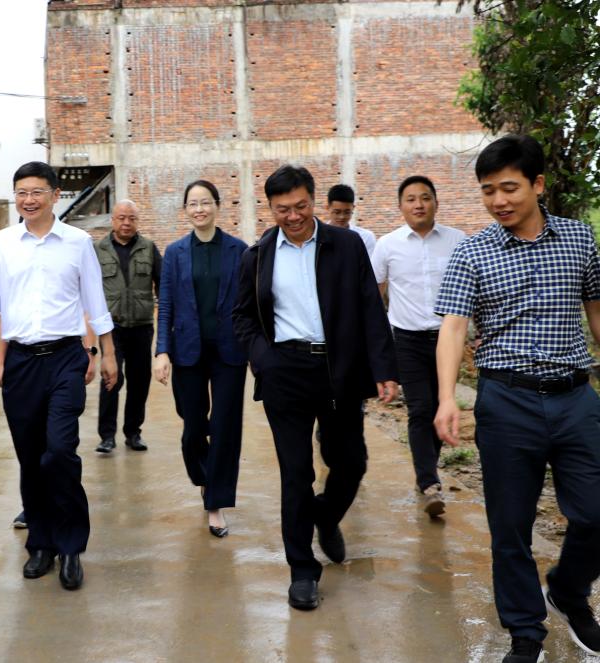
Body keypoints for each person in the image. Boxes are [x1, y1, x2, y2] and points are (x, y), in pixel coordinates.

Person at [434, 134, 600, 663]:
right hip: (506, 401)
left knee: (595, 513)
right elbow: (453, 328)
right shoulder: (472, 251)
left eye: (509, 188)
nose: (498, 200)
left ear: (538, 185)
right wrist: (446, 398)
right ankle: (525, 631)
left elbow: (597, 315)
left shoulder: (579, 239)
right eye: (488, 191)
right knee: (510, 526)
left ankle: (568, 590)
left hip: (575, 398)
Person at [232, 165, 398, 611]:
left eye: (300, 206)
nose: (293, 216)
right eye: (282, 209)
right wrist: (264, 359)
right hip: (285, 371)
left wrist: (384, 367)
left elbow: (370, 306)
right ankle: (302, 570)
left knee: (351, 461)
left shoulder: (346, 245)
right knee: (296, 473)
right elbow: (242, 316)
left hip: (339, 368)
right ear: (270, 208)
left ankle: (325, 515)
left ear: (313, 200)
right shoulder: (258, 256)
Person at [0, 161, 117, 591]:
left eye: (36, 192)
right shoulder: (3, 243)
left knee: (60, 451)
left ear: (54, 195)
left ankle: (71, 546)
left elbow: (95, 300)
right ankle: (41, 543)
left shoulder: (77, 243)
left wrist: (107, 354)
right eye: (21, 192)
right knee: (31, 458)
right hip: (21, 363)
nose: (28, 200)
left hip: (66, 358)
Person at [153, 180, 248, 539]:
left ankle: (215, 502)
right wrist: (162, 351)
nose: (199, 209)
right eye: (192, 204)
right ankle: (204, 475)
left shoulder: (238, 250)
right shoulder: (175, 252)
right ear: (186, 210)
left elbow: (247, 305)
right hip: (187, 350)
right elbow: (166, 305)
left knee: (225, 426)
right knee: (194, 426)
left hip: (229, 351)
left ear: (217, 206)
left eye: (205, 202)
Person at [371, 175, 464, 517]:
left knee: (441, 406)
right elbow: (374, 294)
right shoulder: (387, 245)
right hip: (407, 339)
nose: (419, 204)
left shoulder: (458, 241)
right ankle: (429, 483)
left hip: (447, 338)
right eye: (411, 199)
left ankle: (428, 470)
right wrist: (377, 345)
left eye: (425, 197)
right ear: (401, 206)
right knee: (420, 408)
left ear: (436, 202)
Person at [94, 199, 162, 454]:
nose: (126, 223)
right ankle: (106, 436)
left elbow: (162, 284)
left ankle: (133, 433)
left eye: (131, 218)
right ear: (113, 220)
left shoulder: (148, 248)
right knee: (111, 379)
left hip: (142, 326)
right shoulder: (98, 249)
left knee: (139, 381)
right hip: (111, 327)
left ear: (137, 221)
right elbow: (89, 288)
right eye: (121, 218)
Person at [325, 184, 377, 256]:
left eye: (347, 212)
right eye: (337, 212)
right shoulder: (318, 236)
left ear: (353, 208)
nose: (342, 217)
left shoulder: (365, 237)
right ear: (327, 208)